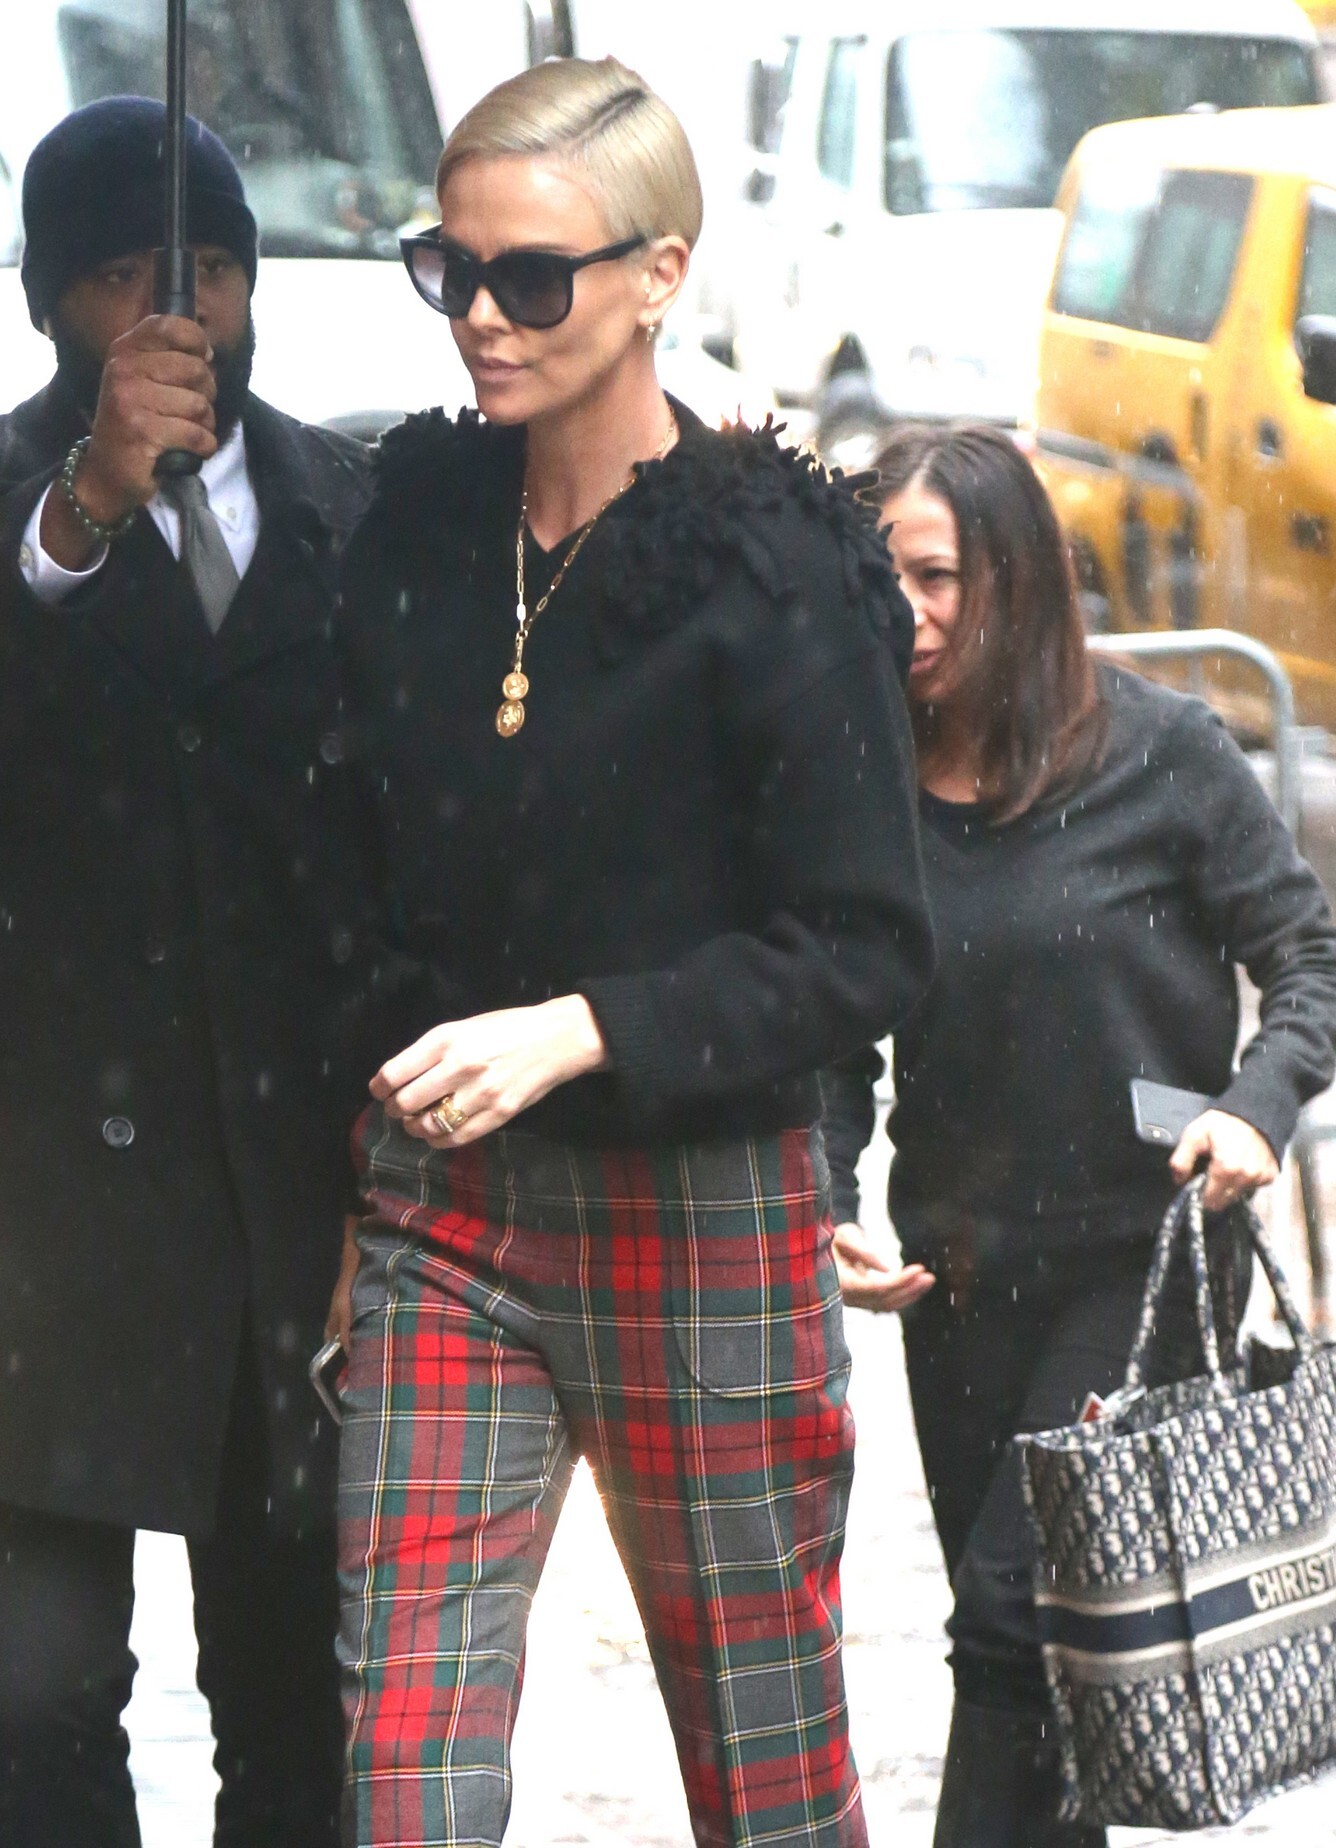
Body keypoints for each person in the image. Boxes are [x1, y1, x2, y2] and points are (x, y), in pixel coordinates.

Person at [325, 56, 933, 1848]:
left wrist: (589, 1024)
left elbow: (867, 944)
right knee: (404, 1770)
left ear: (662, 275)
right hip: (444, 1208)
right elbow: (346, 856)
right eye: (451, 270)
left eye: (533, 278)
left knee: (765, 1764)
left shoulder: (778, 561)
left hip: (705, 1211)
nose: (481, 318)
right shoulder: (419, 519)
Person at [0, 99, 375, 1848]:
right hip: (17, 1218)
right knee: (34, 1703)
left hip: (280, 1211)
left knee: (301, 1708)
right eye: (126, 277)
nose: (182, 313)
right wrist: (85, 501)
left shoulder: (349, 503)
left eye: (214, 268)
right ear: (47, 300)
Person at [820, 425, 1336, 1847]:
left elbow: (1311, 957)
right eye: (880, 579)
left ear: (1014, 579)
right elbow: (835, 1026)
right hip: (956, 1281)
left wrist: (1256, 1107)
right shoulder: (867, 781)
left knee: (1014, 1620)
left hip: (1140, 1267)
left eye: (936, 577)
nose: (903, 611)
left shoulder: (1162, 750)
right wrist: (826, 1196)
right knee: (1050, 1674)